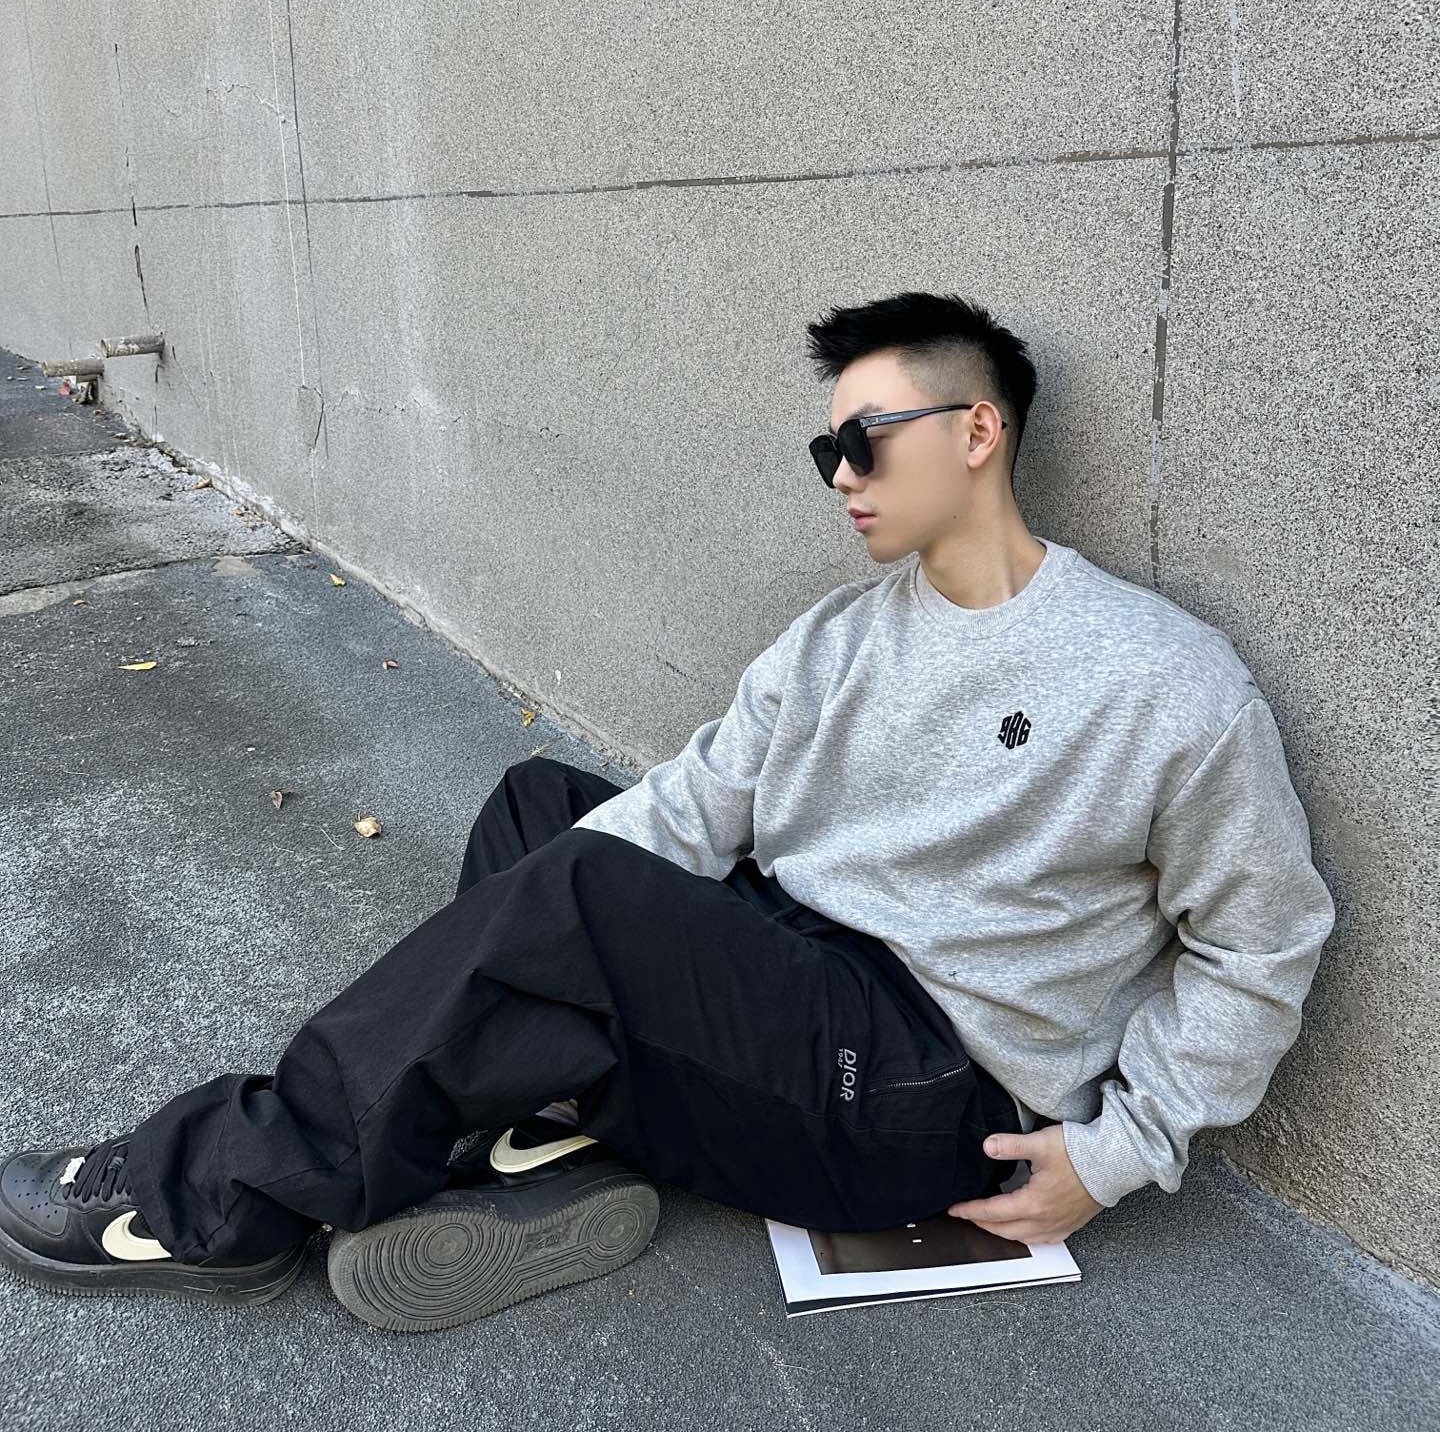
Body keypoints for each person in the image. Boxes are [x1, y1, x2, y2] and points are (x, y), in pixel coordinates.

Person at [0, 290, 1336, 1333]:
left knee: (576, 895)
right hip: (796, 979)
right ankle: (533, 1130)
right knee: (542, 814)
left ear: (977, 433)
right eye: (826, 450)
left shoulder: (1162, 682)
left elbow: (1261, 944)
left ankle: (218, 1196)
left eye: (865, 441)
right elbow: (691, 809)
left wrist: (1117, 1154)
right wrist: (529, 936)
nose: (841, 474)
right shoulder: (837, 638)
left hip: (924, 1086)